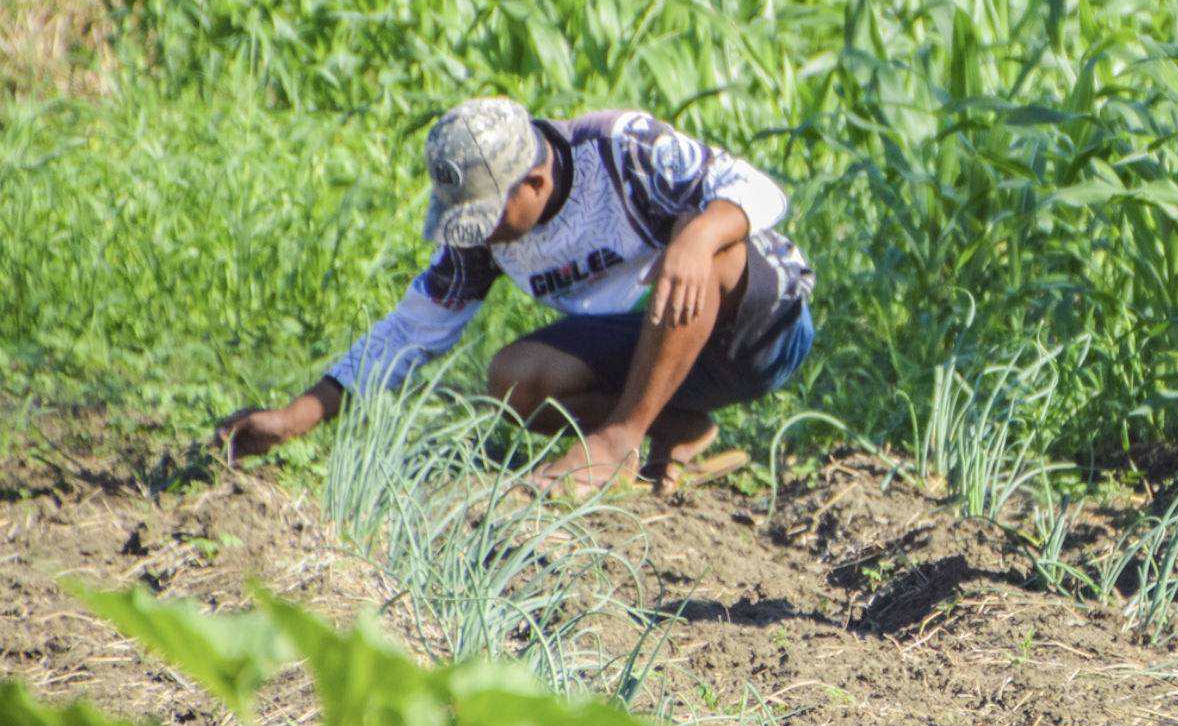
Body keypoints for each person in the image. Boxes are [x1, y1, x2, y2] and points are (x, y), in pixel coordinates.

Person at [218, 97, 817, 495]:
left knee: (697, 242)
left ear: (535, 181)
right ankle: (676, 427)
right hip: (657, 344)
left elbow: (754, 187)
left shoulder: (618, 148)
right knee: (514, 378)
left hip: (761, 323)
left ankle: (618, 440)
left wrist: (702, 233)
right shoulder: (481, 237)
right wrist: (298, 417)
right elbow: (410, 330)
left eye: (486, 212)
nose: (476, 230)